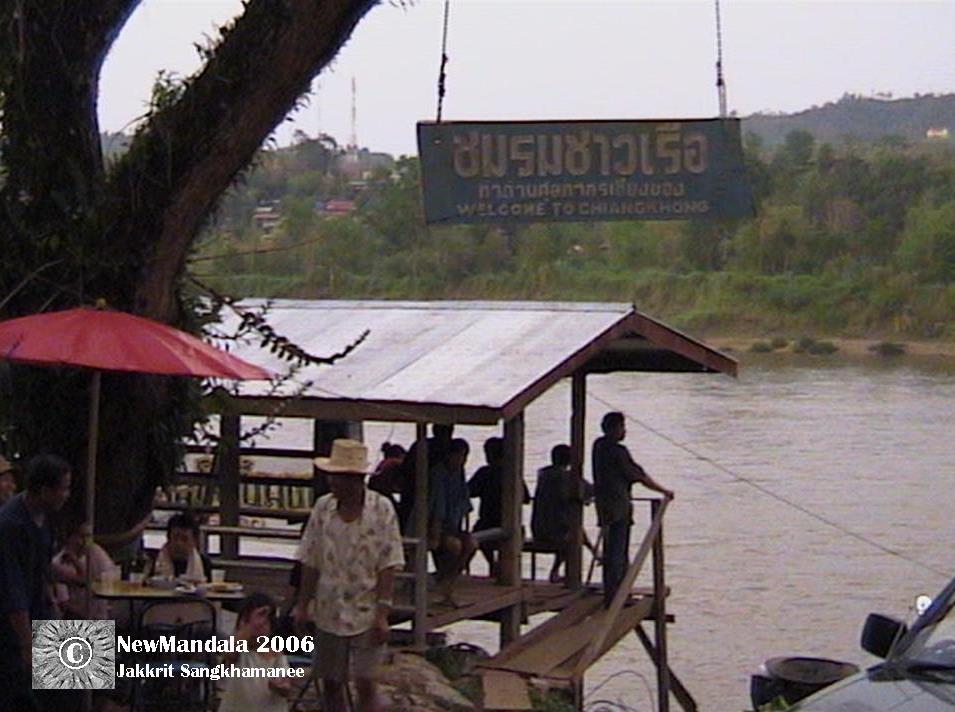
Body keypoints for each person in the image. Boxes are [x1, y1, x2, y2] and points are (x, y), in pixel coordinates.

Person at [293, 439, 404, 712]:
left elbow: (388, 562)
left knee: (366, 681)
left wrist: (383, 612)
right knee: (331, 681)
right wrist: (302, 605)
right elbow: (310, 558)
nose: (332, 482)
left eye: (338, 476)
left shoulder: (382, 509)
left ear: (355, 479)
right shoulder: (323, 508)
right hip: (329, 607)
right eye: (332, 476)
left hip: (366, 606)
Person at [0, 454, 72, 711]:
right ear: (44, 490)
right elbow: (12, 591)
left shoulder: (45, 517)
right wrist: (27, 643)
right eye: (63, 489)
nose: (66, 495)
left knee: (80, 668)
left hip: (39, 611)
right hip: (12, 627)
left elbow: (42, 566)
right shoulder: (11, 526)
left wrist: (79, 580)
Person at [592, 412, 673, 607]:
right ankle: (618, 597)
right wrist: (664, 491)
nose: (624, 431)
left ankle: (614, 594)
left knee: (612, 552)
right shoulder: (618, 451)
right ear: (613, 429)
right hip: (618, 507)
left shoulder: (598, 446)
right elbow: (639, 475)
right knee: (618, 554)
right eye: (622, 427)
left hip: (604, 507)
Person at [530, 444, 595, 583]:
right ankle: (593, 554)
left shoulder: (544, 475)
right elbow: (589, 490)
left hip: (538, 527)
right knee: (573, 533)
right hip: (555, 529)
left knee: (574, 528)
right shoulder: (566, 477)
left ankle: (594, 552)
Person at [467, 436, 530, 576]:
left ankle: (492, 564)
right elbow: (526, 498)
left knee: (476, 534)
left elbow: (469, 491)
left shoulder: (485, 472)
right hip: (511, 523)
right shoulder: (513, 473)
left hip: (487, 522)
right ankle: (500, 566)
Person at [220, 592, 292, 712]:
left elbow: (286, 687)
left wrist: (280, 687)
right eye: (247, 622)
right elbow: (229, 653)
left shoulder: (276, 655)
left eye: (265, 622)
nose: (259, 625)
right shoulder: (240, 652)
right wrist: (250, 627)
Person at [429, 438, 477, 603]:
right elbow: (438, 506)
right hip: (435, 526)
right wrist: (435, 533)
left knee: (471, 544)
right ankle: (442, 578)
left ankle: (448, 580)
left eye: (464, 456)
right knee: (454, 546)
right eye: (459, 456)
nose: (461, 460)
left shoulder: (459, 473)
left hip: (453, 525)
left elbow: (464, 499)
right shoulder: (438, 473)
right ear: (449, 455)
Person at [51, 519, 115, 619]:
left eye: (88, 536)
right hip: (75, 620)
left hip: (101, 615)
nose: (85, 541)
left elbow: (112, 578)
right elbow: (64, 604)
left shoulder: (96, 552)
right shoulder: (59, 562)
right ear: (70, 538)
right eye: (81, 536)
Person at [396, 423, 454, 533]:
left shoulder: (447, 449)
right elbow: (407, 470)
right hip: (415, 493)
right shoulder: (425, 446)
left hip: (431, 497)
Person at [151, 512, 212, 582]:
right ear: (168, 537)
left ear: (195, 541)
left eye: (184, 539)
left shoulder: (204, 563)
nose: (179, 543)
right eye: (175, 538)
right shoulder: (154, 561)